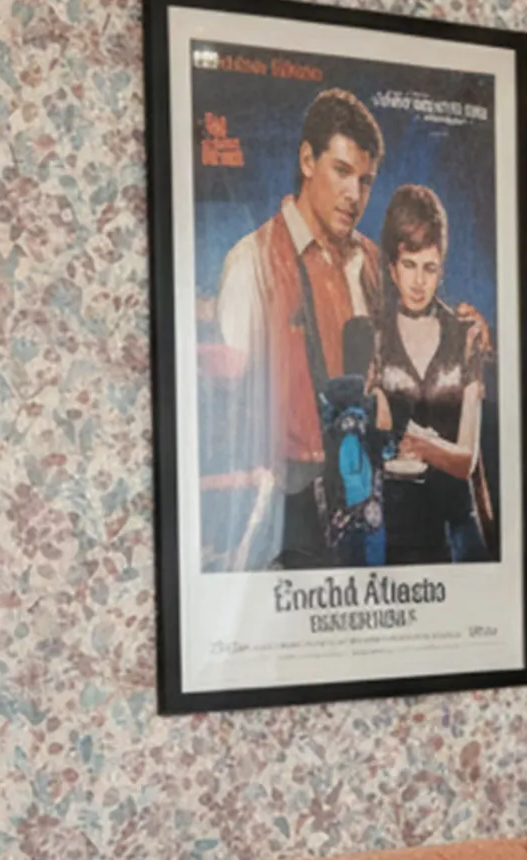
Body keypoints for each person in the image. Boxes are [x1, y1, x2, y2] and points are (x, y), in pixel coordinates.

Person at [209, 86, 391, 571]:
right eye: (343, 171)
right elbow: (228, 410)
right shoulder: (252, 263)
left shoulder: (372, 261)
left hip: (365, 496)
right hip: (290, 507)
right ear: (307, 160)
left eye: (366, 181)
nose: (355, 195)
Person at [368, 183, 490, 565]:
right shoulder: (376, 337)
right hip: (398, 530)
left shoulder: (466, 335)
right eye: (409, 265)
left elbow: (467, 459)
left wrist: (414, 441)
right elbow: (371, 439)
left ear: (442, 269)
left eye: (429, 268)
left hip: (459, 530)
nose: (419, 282)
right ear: (392, 266)